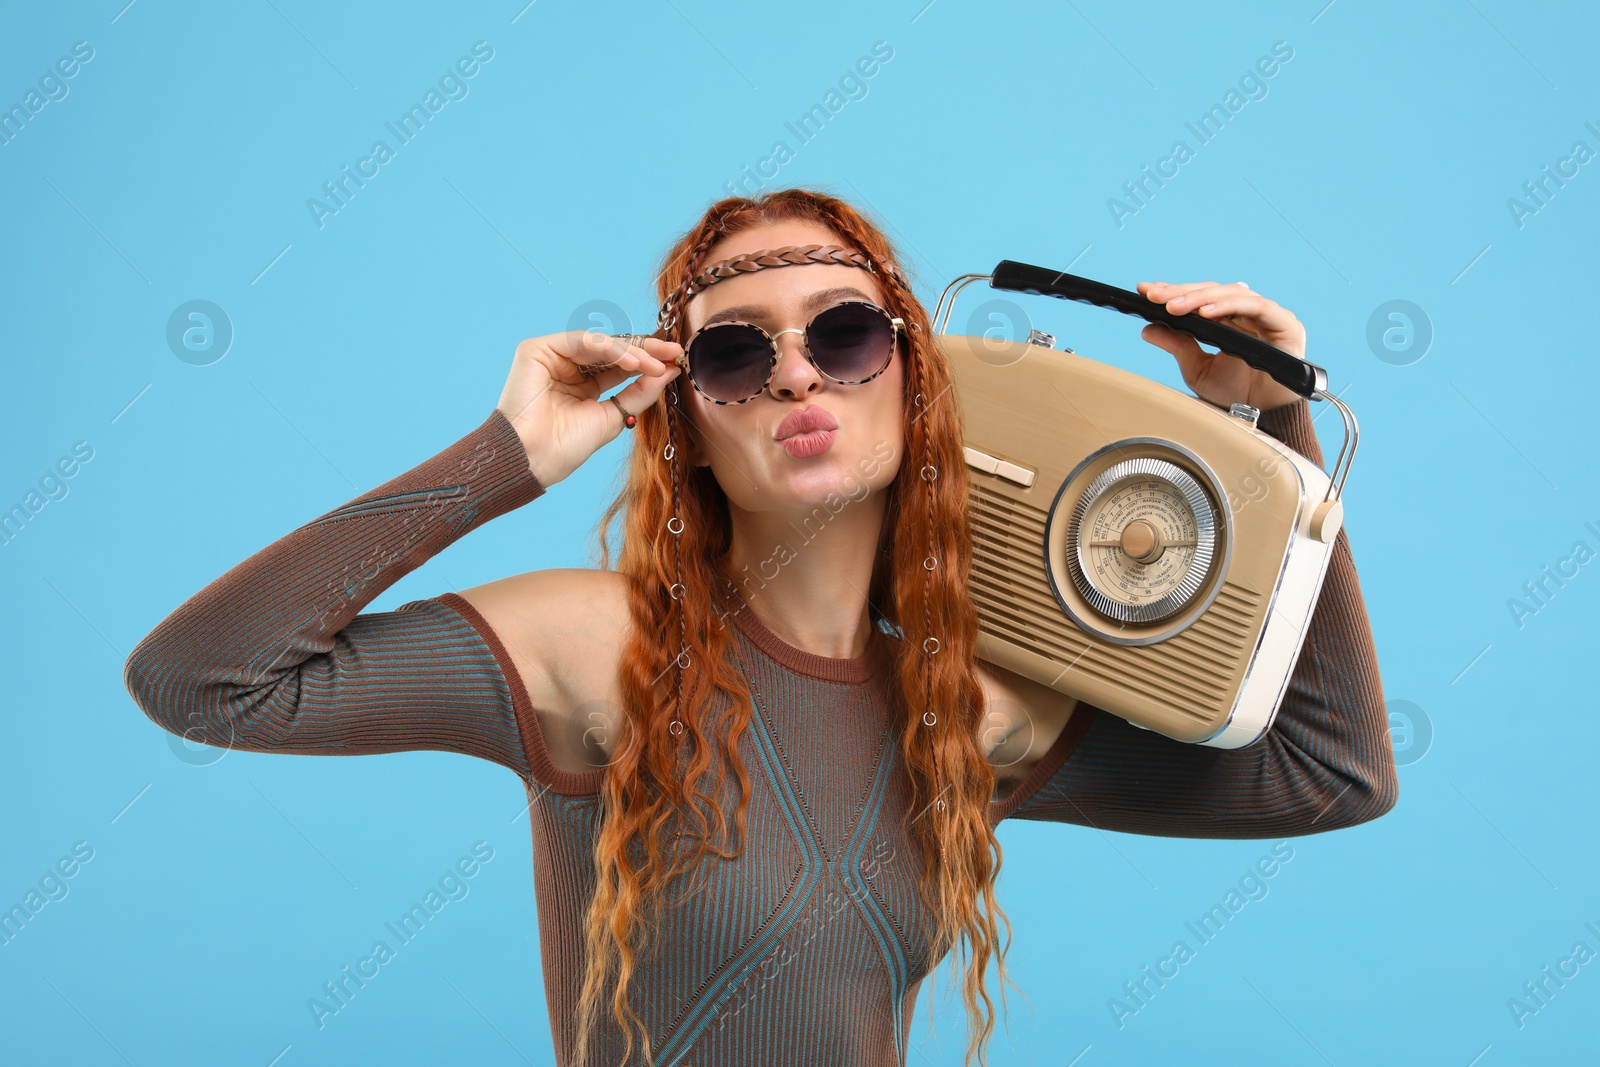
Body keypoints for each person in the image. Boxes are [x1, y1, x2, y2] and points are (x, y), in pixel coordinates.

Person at [123, 187, 1397, 1067]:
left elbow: (1326, 774)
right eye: (735, 356)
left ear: (916, 378)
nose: (795, 372)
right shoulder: (598, 645)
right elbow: (203, 682)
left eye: (844, 335)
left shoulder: (968, 708)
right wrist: (502, 455)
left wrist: (1273, 429)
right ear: (685, 417)